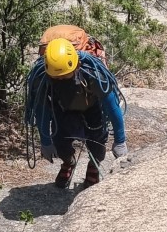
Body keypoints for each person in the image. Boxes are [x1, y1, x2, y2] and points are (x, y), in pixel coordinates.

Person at [25, 28, 127, 191]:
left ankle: (94, 164)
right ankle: (68, 162)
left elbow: (112, 106)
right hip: (62, 107)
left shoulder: (94, 73)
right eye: (56, 77)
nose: (60, 80)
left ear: (77, 65)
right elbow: (41, 109)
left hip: (92, 106)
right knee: (60, 141)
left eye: (64, 76)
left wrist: (120, 140)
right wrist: (45, 141)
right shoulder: (42, 77)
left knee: (97, 139)